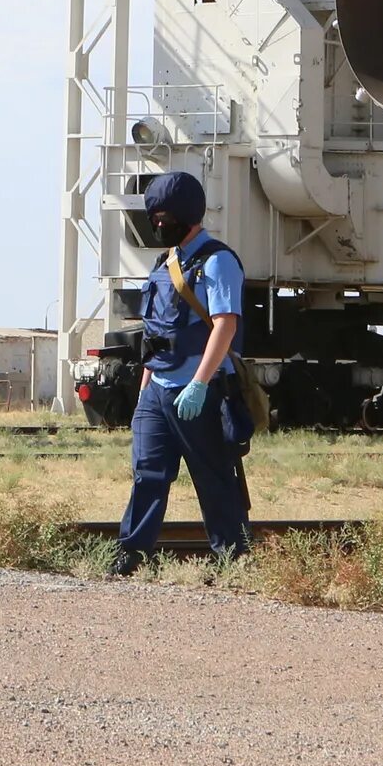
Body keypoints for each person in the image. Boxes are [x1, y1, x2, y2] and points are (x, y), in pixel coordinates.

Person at [114, 170, 251, 571]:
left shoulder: (218, 261)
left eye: (163, 215)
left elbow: (226, 324)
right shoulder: (165, 262)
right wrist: (144, 392)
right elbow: (155, 335)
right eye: (153, 216)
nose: (157, 223)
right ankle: (132, 555)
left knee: (213, 478)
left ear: (187, 213)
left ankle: (233, 561)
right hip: (157, 390)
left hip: (199, 391)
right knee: (148, 474)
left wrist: (199, 383)